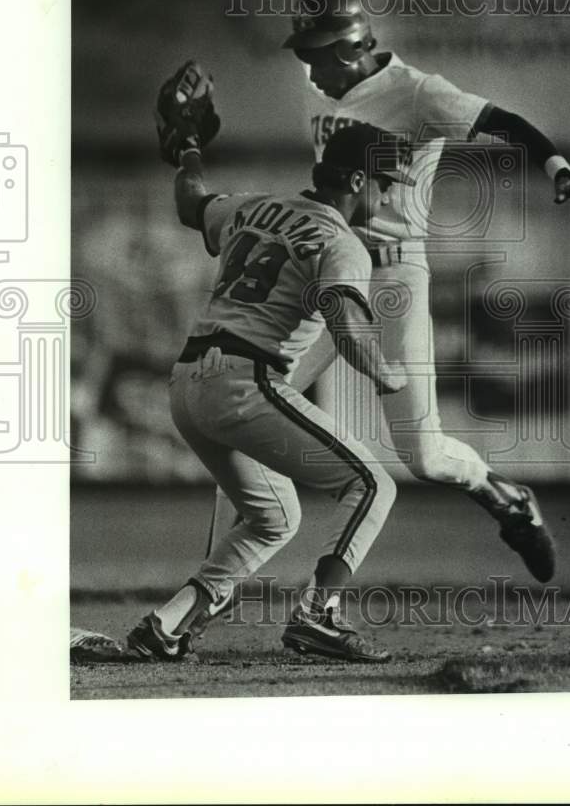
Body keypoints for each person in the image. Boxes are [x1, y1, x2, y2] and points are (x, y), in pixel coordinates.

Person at [209, 0, 570, 586]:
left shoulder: (418, 92)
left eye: (313, 53)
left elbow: (509, 121)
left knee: (422, 456)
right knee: (245, 402)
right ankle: (217, 581)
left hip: (392, 275)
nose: (307, 66)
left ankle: (506, 499)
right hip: (330, 269)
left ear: (347, 49)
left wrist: (560, 169)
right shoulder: (330, 95)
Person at [127, 117, 416, 664]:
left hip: (187, 385)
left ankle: (167, 626)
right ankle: (318, 615)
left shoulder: (251, 206)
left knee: (275, 518)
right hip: (243, 381)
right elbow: (346, 327)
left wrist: (189, 151)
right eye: (385, 183)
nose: (388, 195)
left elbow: (191, 205)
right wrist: (389, 376)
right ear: (356, 181)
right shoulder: (341, 241)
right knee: (372, 485)